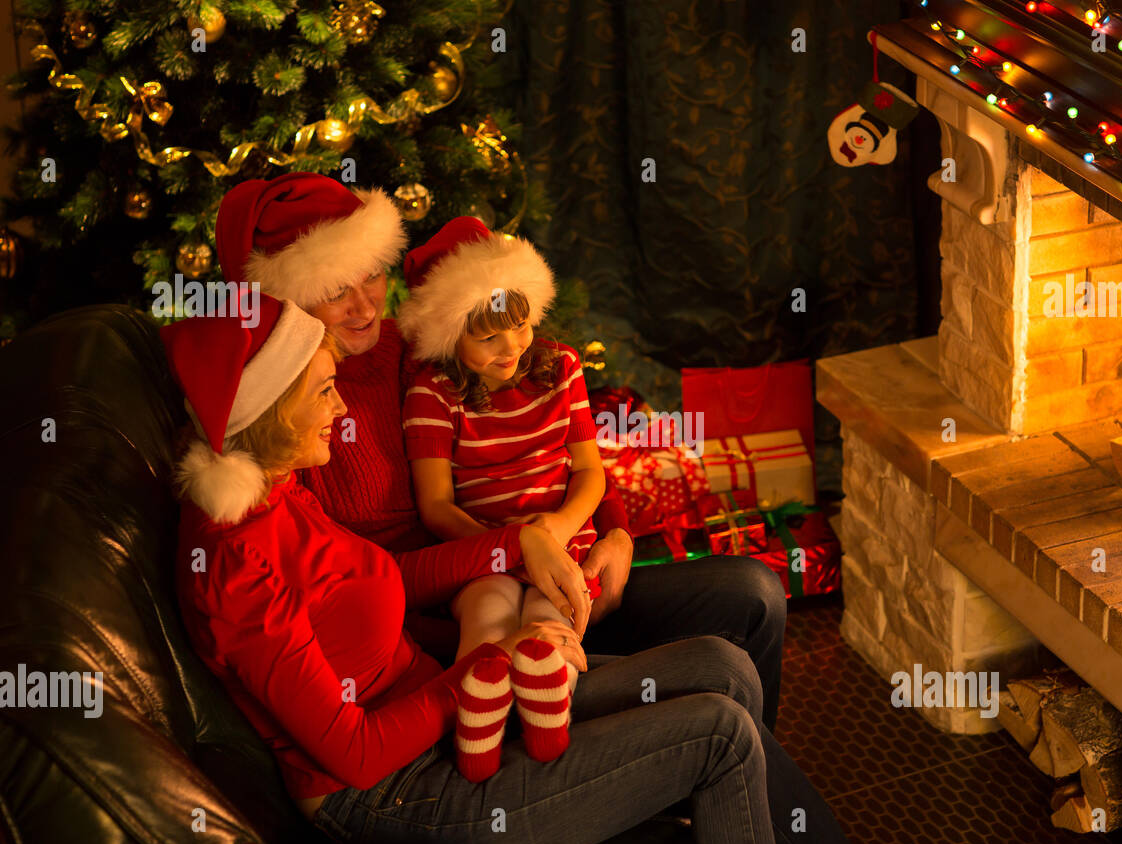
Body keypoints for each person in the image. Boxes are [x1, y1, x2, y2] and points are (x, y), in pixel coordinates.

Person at [166, 290, 780, 844]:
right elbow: (353, 754)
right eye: (325, 391)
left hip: (452, 704)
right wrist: (489, 659)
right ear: (270, 412)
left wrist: (517, 547)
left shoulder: (279, 487)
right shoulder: (235, 564)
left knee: (723, 668)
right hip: (392, 789)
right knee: (721, 734)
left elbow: (384, 587)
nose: (342, 406)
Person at [212, 172, 787, 731]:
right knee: (716, 680)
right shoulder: (290, 419)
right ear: (286, 300)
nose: (366, 306)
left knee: (756, 593)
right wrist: (513, 557)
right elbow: (361, 591)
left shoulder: (416, 344)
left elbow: (562, 442)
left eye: (372, 278)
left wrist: (614, 535)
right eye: (337, 293)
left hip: (552, 564)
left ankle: (725, 799)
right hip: (452, 625)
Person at [396, 218, 606, 718]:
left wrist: (556, 529)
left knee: (550, 624)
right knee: (488, 618)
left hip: (561, 549)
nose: (511, 347)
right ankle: (478, 725)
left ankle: (545, 723)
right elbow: (436, 505)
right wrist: (502, 549)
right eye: (489, 338)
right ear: (449, 337)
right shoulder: (432, 394)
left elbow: (590, 472)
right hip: (481, 553)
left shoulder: (562, 367)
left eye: (520, 326)